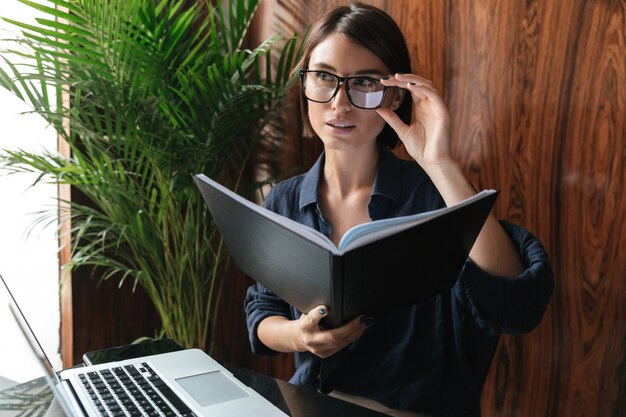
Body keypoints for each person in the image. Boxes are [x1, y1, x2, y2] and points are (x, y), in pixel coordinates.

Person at [244, 3, 553, 416]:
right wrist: (299, 337)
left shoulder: (434, 196)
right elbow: (262, 311)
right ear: (305, 83)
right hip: (314, 405)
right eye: (323, 77)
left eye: (365, 82)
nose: (339, 103)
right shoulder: (284, 199)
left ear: (393, 92)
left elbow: (517, 308)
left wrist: (439, 165)